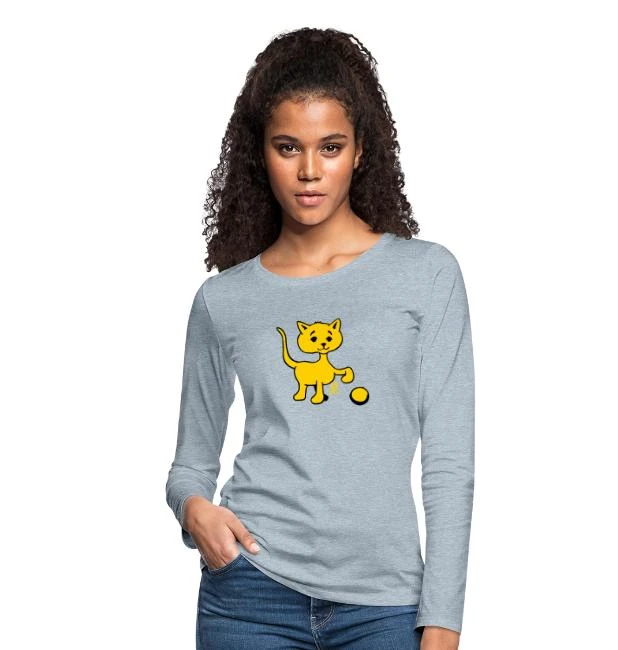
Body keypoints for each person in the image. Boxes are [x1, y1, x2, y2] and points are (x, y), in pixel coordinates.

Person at [165, 27, 475, 650]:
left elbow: (449, 463)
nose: (309, 171)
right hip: (248, 593)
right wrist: (195, 512)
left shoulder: (427, 274)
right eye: (288, 147)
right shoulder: (224, 300)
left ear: (360, 151)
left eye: (330, 147)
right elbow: (189, 467)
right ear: (261, 153)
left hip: (385, 604)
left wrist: (443, 619)